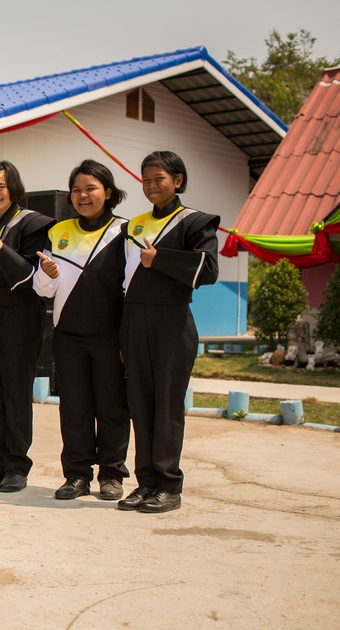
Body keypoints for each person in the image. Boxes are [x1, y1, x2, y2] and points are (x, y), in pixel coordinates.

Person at [117, 150, 219, 513]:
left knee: (167, 405)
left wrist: (159, 259)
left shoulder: (196, 222)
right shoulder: (133, 225)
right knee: (140, 404)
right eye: (145, 179)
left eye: (159, 178)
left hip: (172, 324)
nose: (151, 185)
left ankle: (168, 485)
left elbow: (207, 270)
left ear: (178, 180)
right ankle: (146, 483)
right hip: (134, 322)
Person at [33, 160, 130, 501]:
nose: (83, 195)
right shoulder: (58, 232)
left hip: (110, 337)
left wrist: (126, 339)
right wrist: (47, 272)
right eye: (76, 190)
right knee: (74, 408)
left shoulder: (124, 232)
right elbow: (43, 289)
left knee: (112, 407)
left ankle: (112, 475)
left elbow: (129, 288)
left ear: (108, 191)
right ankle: (76, 475)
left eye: (90, 188)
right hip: (68, 336)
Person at [0, 160, 54, 492]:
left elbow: (28, 278)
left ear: (14, 188)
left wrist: (0, 249)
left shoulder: (34, 224)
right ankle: (1, 462)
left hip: (20, 317)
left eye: (1, 187)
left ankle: (18, 465)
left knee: (16, 393)